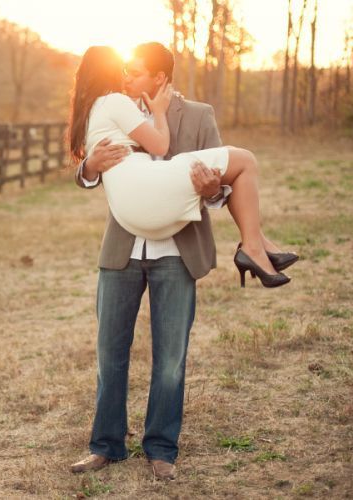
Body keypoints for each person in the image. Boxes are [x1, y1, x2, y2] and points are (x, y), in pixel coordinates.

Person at [67, 43, 298, 480]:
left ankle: (161, 448)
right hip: (123, 250)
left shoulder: (199, 115)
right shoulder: (115, 107)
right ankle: (105, 445)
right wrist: (90, 167)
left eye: (136, 72)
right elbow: (88, 170)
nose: (126, 78)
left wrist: (213, 191)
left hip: (177, 251)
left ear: (159, 77)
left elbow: (221, 190)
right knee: (108, 352)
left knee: (171, 356)